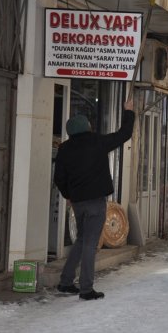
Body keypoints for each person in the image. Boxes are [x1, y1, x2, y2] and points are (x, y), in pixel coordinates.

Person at [53, 99, 135, 300]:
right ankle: (86, 289)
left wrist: (68, 195)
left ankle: (65, 282)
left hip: (78, 202)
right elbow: (124, 134)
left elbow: (59, 179)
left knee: (81, 241)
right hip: (96, 202)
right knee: (90, 244)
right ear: (87, 127)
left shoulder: (64, 149)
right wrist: (129, 112)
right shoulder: (97, 142)